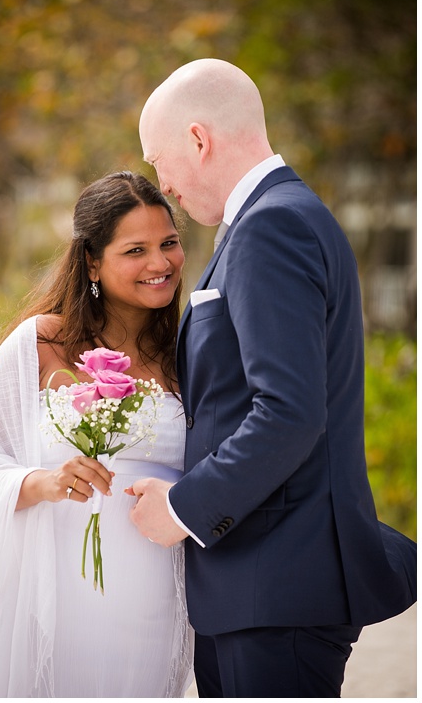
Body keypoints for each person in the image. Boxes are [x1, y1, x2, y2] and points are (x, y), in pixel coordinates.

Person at [131, 58, 417, 697]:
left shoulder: (271, 226)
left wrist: (183, 509)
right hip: (259, 589)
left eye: (160, 160)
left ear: (199, 140)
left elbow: (288, 411)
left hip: (277, 589)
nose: (164, 183)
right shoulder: (271, 219)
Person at [0, 171, 194, 697]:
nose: (160, 264)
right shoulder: (40, 345)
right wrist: (42, 482)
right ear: (92, 262)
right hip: (57, 598)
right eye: (136, 250)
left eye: (169, 243)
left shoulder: (190, 355)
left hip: (158, 600)